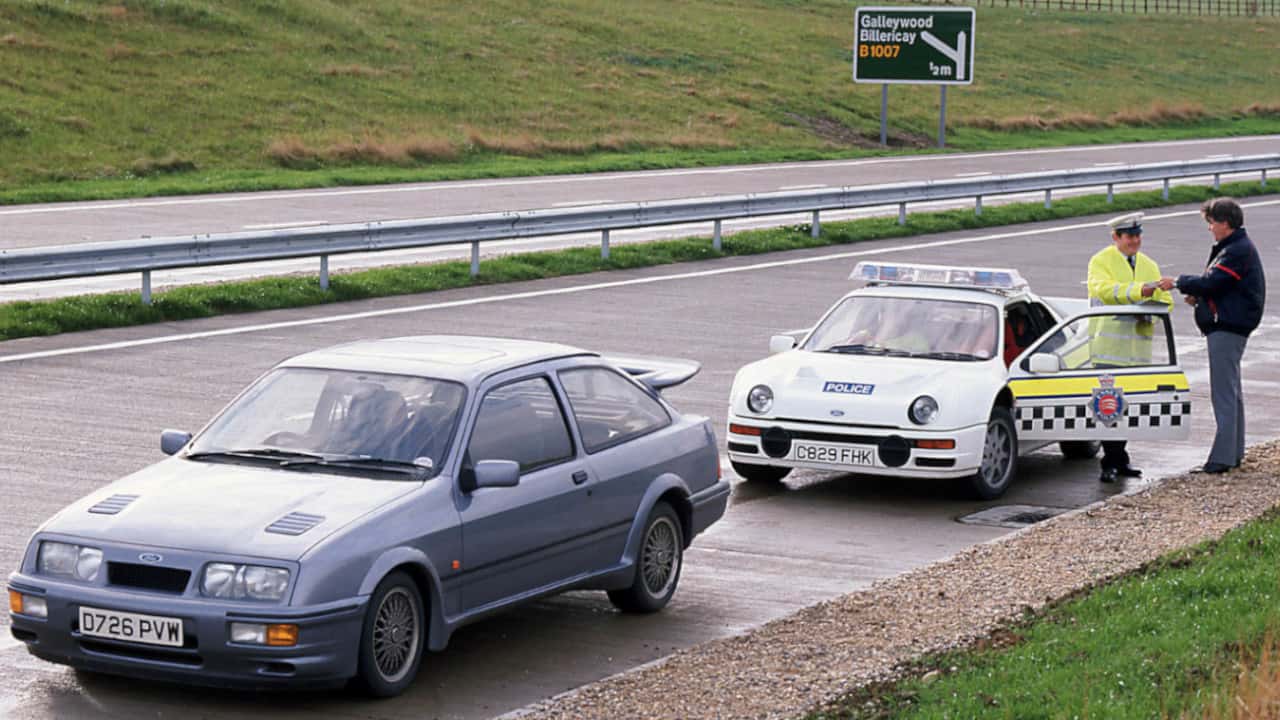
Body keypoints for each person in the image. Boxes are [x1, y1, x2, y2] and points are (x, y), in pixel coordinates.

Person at [1156, 198, 1266, 474]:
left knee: (1223, 393)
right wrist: (1202, 297)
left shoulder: (1236, 250)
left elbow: (1213, 281)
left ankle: (1222, 459)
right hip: (1230, 324)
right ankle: (1234, 451)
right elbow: (1221, 286)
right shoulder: (1235, 247)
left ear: (1225, 223)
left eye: (1212, 222)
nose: (1210, 228)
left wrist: (1178, 282)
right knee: (1232, 391)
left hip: (1227, 327)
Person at [1086, 211, 1174, 483]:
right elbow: (1104, 290)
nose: (1134, 241)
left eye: (1138, 236)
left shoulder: (1149, 264)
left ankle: (1120, 460)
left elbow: (1166, 300)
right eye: (1129, 236)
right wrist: (1139, 293)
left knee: (1128, 410)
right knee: (1109, 410)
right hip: (1108, 350)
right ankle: (1110, 463)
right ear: (1116, 237)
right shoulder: (1101, 261)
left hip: (1137, 354)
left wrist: (1152, 309)